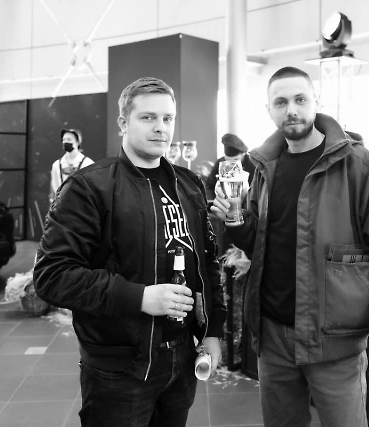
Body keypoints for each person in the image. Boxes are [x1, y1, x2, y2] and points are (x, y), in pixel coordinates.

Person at [210, 66, 369, 427]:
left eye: (300, 99)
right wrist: (236, 222)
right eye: (281, 102)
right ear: (269, 110)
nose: (291, 109)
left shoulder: (355, 163)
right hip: (273, 336)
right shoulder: (265, 166)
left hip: (334, 337)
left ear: (315, 102)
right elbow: (262, 243)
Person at [34, 77, 226, 427]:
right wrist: (139, 297)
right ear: (123, 123)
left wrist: (212, 330)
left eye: (167, 118)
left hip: (182, 359)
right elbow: (52, 276)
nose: (160, 127)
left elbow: (207, 261)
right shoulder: (88, 187)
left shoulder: (189, 185)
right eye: (148, 117)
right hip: (119, 370)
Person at [205, 133, 256, 200]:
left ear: (243, 154)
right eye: (228, 160)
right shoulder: (220, 163)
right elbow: (209, 186)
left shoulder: (253, 164)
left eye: (235, 160)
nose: (232, 164)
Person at [49, 128, 94, 203]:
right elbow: (54, 188)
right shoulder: (56, 165)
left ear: (78, 142)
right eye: (64, 139)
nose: (66, 142)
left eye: (69, 139)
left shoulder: (88, 163)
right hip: (62, 206)